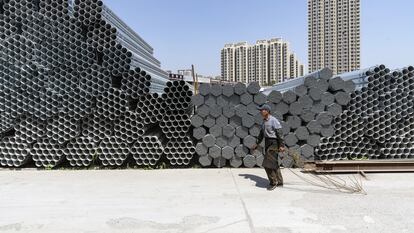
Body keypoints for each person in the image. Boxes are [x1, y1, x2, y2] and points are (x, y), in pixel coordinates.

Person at [252, 104, 285, 191]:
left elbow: (279, 133)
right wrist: (257, 143)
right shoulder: (264, 121)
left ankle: (273, 182)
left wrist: (281, 145)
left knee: (267, 164)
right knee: (273, 163)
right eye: (260, 110)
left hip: (274, 143)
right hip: (267, 142)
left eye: (262, 110)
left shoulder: (274, 120)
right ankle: (280, 181)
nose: (261, 112)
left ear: (267, 111)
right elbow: (261, 134)